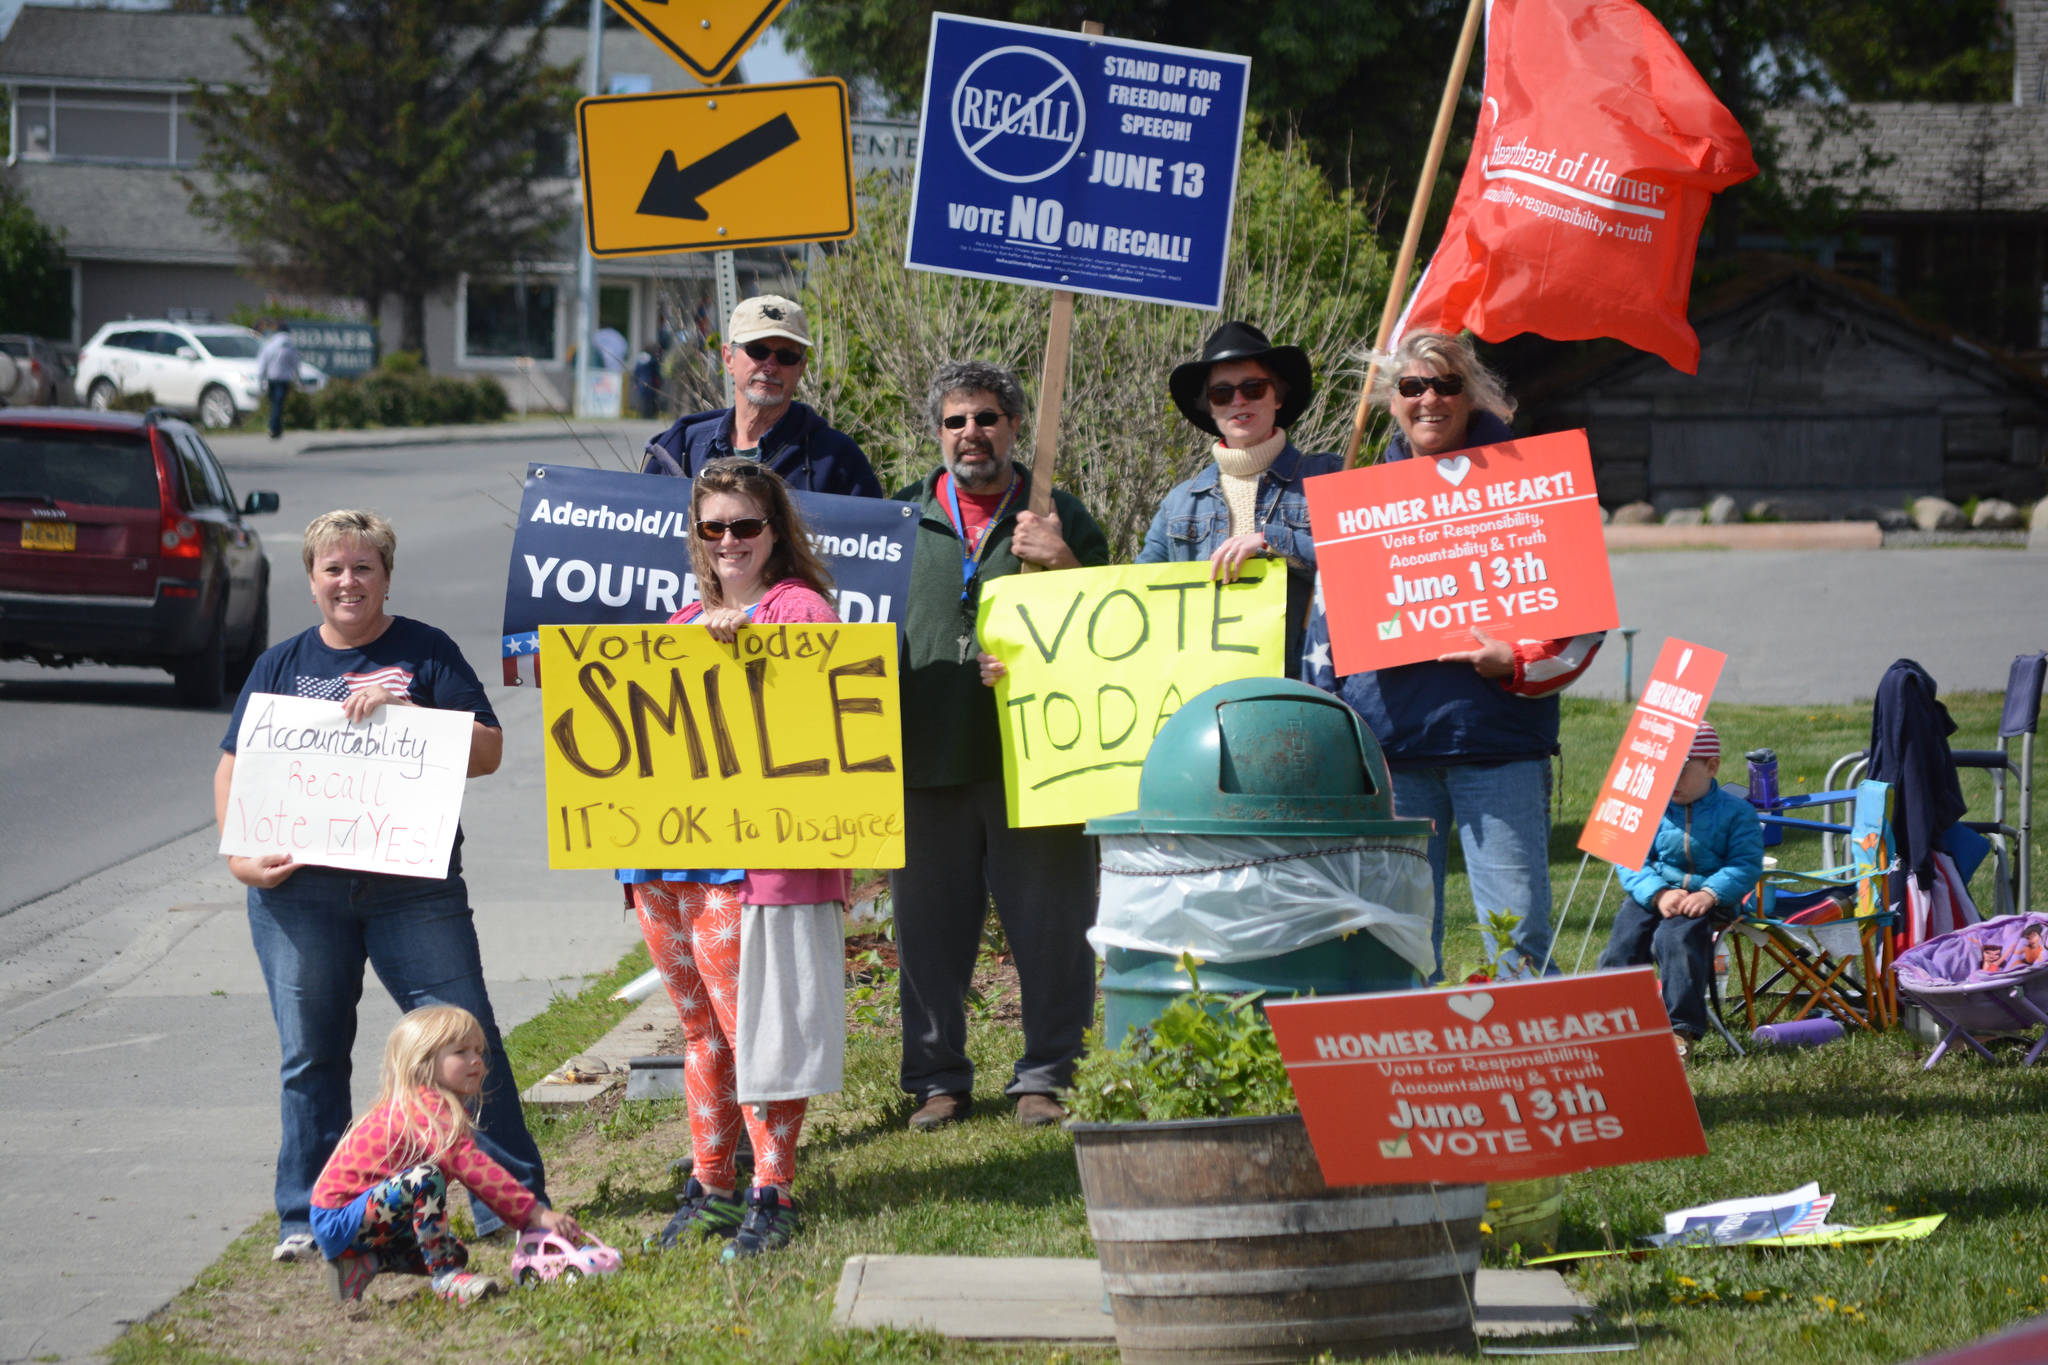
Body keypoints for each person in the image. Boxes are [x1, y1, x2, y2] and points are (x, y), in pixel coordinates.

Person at [215, 508, 548, 1265]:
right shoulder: (280, 666)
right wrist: (240, 861)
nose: (348, 581)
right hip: (300, 894)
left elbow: (490, 750)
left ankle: (511, 1203)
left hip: (413, 888)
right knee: (311, 1053)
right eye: (333, 568)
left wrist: (413, 716)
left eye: (363, 567)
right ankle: (310, 1214)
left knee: (467, 1039)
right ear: (311, 582)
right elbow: (233, 771)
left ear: (386, 577)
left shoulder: (426, 651)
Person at [1305, 330, 1605, 979]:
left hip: (1497, 748)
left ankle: (1526, 1072)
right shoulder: (1364, 498)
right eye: (1412, 385)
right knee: (1403, 938)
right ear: (1391, 400)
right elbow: (1323, 639)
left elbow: (1581, 630)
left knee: (1516, 932)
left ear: (1474, 393)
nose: (1430, 399)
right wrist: (1338, 737)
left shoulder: (1531, 482)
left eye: (1446, 384)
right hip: (1395, 758)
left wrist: (1517, 662)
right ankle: (1416, 1075)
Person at [630, 458, 850, 1260]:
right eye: (713, 527)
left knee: (757, 1030)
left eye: (745, 526)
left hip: (749, 864)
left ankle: (774, 1190)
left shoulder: (800, 609)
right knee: (699, 1029)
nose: (729, 541)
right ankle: (714, 1183)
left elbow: (822, 709)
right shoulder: (682, 620)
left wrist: (750, 645)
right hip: (668, 862)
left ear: (775, 531)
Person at [892, 360, 1109, 1132]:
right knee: (926, 934)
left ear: (1015, 426)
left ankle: (1048, 1073)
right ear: (938, 433)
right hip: (924, 758)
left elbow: (1113, 629)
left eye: (986, 418)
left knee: (1053, 928)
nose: (971, 434)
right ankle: (936, 1078)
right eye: (955, 421)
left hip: (1036, 762)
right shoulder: (899, 521)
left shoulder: (1059, 514)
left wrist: (1063, 560)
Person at [310, 1005, 582, 1304]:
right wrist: (534, 1213)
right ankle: (447, 1278)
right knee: (424, 1179)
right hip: (341, 1220)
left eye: (478, 1050)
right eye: (461, 1052)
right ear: (423, 1061)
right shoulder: (426, 1108)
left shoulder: (430, 1106)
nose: (476, 1059)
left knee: (454, 1250)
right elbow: (473, 1167)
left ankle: (363, 1264)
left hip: (360, 1220)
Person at [1141, 321, 1338, 675]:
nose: (1238, 401)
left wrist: (1271, 541)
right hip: (1208, 693)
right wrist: (1062, 559)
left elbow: (1361, 566)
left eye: (1253, 388)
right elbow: (1139, 598)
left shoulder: (1330, 477)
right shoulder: (1178, 504)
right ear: (1209, 408)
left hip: (1305, 686)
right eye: (1222, 393)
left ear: (1277, 396)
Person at [1596, 725, 1764, 1054]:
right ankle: (1612, 1019)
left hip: (1708, 899)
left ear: (1712, 767)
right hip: (1654, 893)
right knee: (1623, 944)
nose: (1670, 781)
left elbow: (1745, 865)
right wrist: (1658, 893)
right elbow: (1630, 858)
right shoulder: (1650, 808)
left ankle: (1679, 1029)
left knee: (1676, 940)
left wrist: (1710, 893)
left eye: (1681, 771)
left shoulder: (1736, 813)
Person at [641, 295, 882, 498]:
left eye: (786, 356)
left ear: (802, 367)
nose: (770, 366)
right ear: (728, 357)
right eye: (758, 351)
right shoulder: (683, 447)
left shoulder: (838, 459)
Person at [254, 321, 301, 440]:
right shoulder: (290, 346)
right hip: (284, 380)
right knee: (278, 405)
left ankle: (275, 428)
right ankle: (275, 428)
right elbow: (296, 364)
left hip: (272, 379)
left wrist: (261, 379)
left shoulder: (270, 344)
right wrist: (298, 379)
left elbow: (263, 363)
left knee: (275, 404)